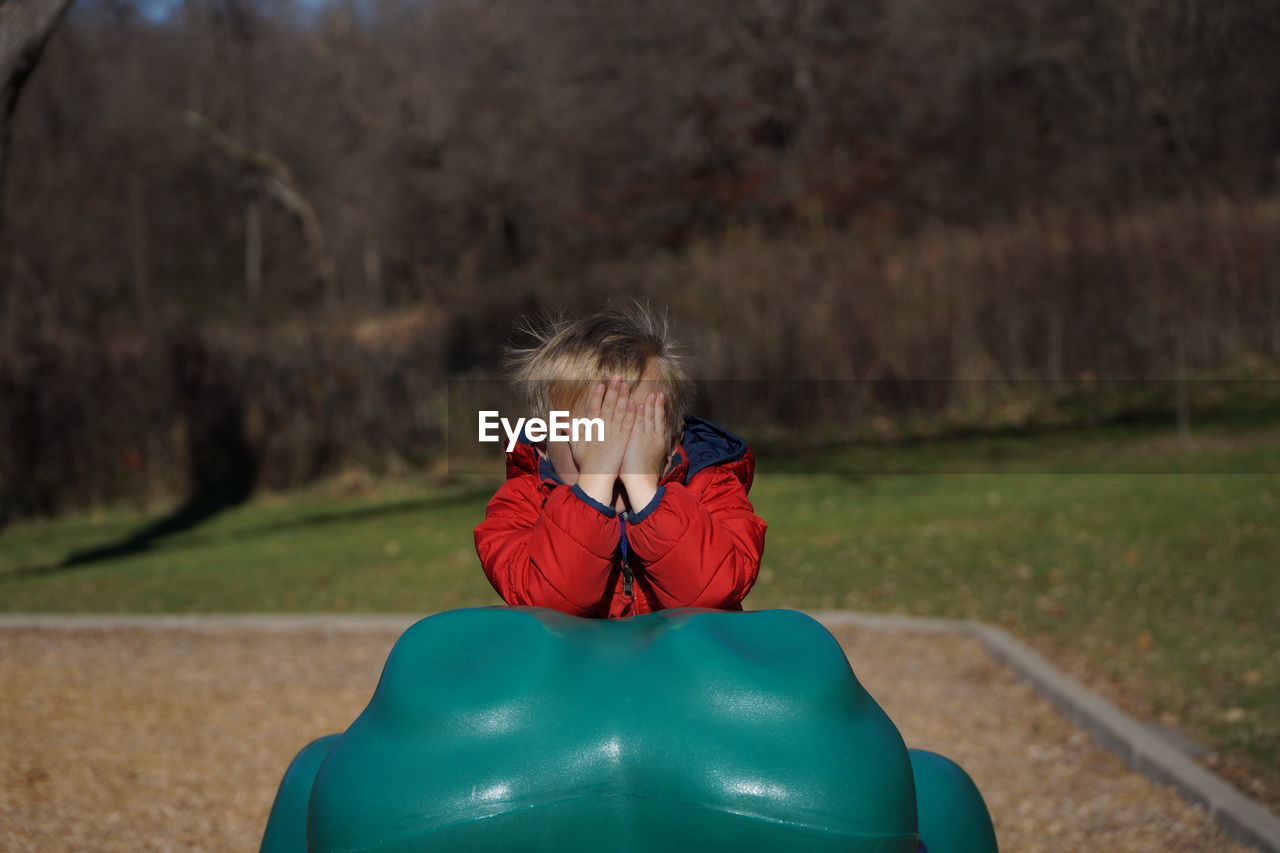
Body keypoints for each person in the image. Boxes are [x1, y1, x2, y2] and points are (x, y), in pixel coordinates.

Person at [473, 304, 766, 618]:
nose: (612, 452)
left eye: (635, 429)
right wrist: (593, 485)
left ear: (672, 441)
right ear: (543, 445)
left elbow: (709, 595)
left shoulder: (711, 490)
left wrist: (646, 489)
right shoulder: (521, 507)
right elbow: (554, 603)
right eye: (591, 435)